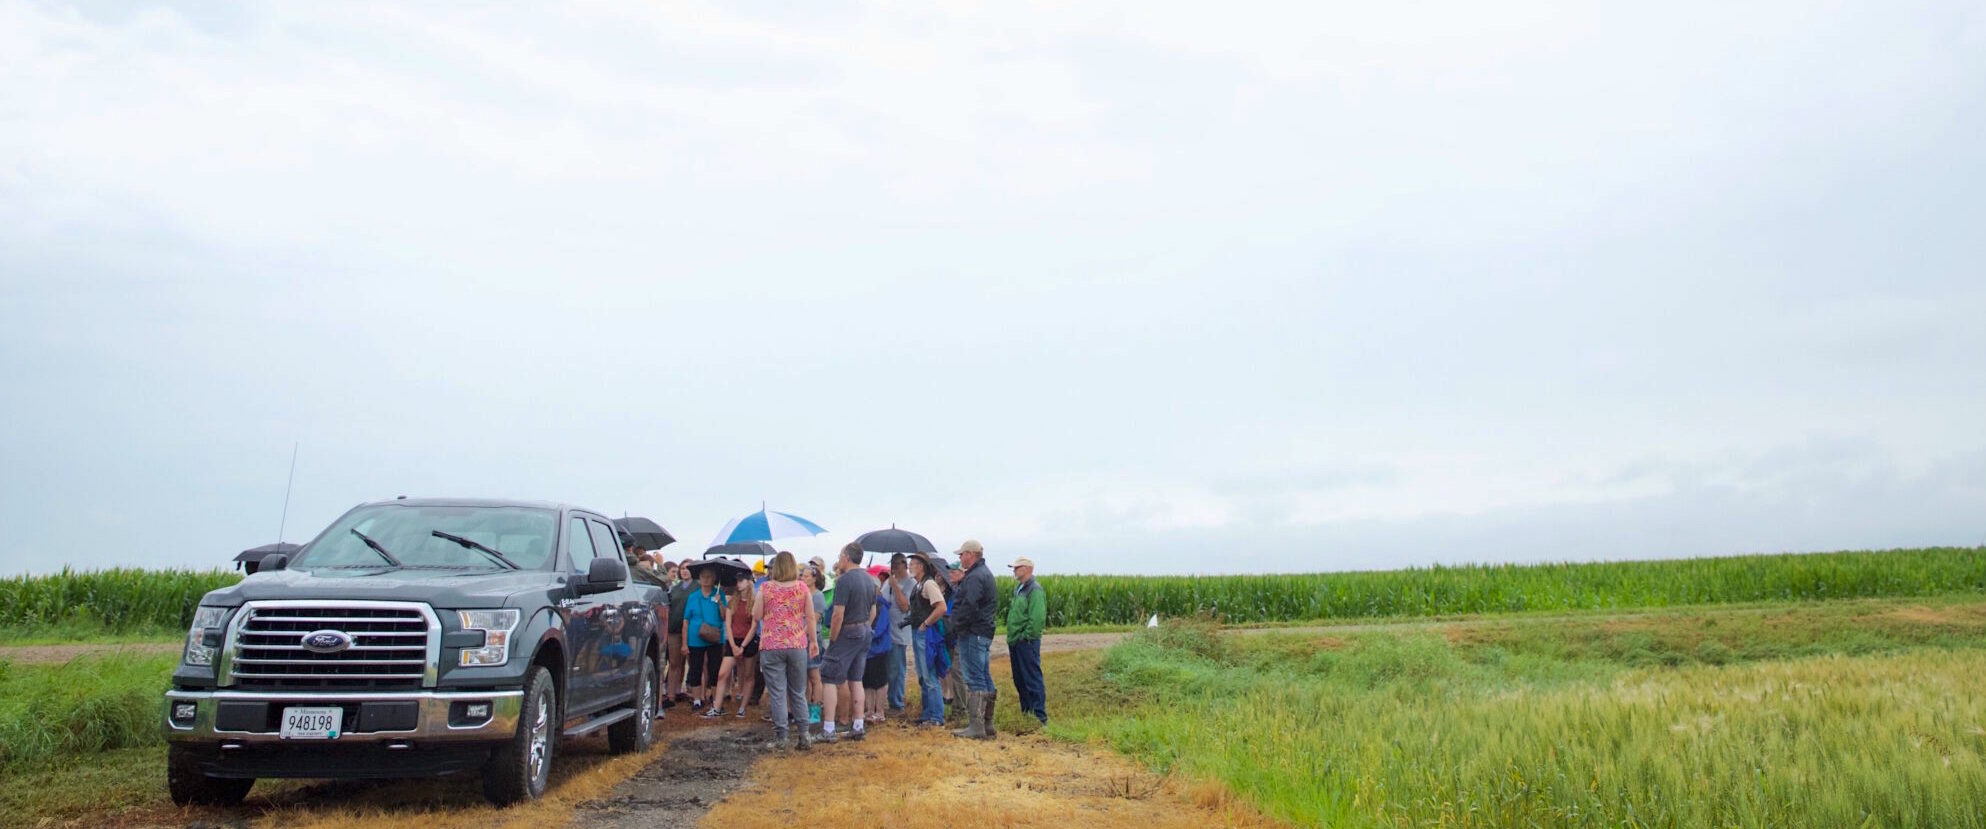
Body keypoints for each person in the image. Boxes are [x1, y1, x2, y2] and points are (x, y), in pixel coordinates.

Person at [753, 551, 818, 751]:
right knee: (798, 691)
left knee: (778, 692)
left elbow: (756, 615)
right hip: (797, 644)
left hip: (771, 645)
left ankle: (782, 737)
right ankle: (804, 734)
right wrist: (813, 641)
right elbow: (810, 617)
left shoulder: (765, 587)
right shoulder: (802, 588)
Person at [817, 542, 877, 743]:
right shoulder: (870, 580)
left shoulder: (843, 581)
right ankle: (858, 725)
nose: (839, 559)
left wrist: (833, 639)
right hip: (865, 630)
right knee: (856, 679)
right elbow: (873, 611)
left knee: (829, 678)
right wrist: (865, 627)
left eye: (841, 555)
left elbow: (837, 614)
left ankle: (828, 728)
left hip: (847, 631)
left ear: (846, 557)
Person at [948, 539, 998, 740]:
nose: (960, 558)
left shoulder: (975, 576)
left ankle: (976, 726)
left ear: (971, 554)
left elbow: (969, 605)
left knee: (975, 677)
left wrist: (957, 626)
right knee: (984, 676)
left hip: (973, 632)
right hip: (982, 631)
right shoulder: (984, 573)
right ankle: (987, 724)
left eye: (962, 554)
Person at [704, 577, 758, 718]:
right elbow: (728, 624)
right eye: (737, 581)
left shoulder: (755, 602)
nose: (739, 584)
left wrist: (743, 645)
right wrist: (734, 645)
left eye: (742, 580)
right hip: (733, 640)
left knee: (748, 674)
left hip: (749, 641)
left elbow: (754, 626)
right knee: (722, 674)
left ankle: (742, 707)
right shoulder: (733, 602)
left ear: (749, 582)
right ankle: (717, 706)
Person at [906, 552, 949, 726]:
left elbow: (941, 608)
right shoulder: (918, 585)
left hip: (926, 634)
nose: (909, 566)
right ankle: (927, 714)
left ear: (921, 566)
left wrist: (925, 623)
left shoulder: (929, 584)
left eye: (913, 563)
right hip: (918, 631)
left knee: (930, 675)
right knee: (923, 676)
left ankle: (936, 717)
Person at [1005, 557, 1048, 726]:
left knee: (1032, 678)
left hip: (1026, 642)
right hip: (1016, 640)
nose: (1014, 570)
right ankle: (1027, 712)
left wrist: (1025, 636)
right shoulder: (1020, 588)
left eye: (1017, 567)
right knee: (1019, 679)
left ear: (1028, 568)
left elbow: (1037, 619)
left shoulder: (1034, 590)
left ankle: (1039, 717)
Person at [681, 565, 727, 711]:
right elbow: (686, 621)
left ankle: (714, 698)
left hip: (715, 637)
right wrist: (684, 643)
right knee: (695, 668)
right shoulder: (693, 596)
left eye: (709, 576)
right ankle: (696, 700)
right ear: (699, 579)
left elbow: (725, 616)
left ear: (714, 578)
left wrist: (720, 602)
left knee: (715, 669)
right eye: (703, 576)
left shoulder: (720, 594)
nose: (706, 579)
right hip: (695, 638)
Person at [861, 565, 894, 723]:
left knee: (880, 681)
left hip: (879, 648)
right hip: (868, 649)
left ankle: (880, 711)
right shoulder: (867, 604)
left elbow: (881, 628)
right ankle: (869, 710)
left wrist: (867, 635)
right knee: (867, 681)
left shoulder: (881, 604)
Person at [886, 553, 913, 714]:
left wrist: (895, 586)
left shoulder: (910, 583)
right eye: (892, 564)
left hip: (899, 633)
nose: (894, 567)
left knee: (897, 669)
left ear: (905, 564)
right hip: (886, 634)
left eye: (897, 564)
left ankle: (897, 703)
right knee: (889, 670)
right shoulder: (888, 582)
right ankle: (891, 701)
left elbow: (905, 606)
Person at [665, 562, 694, 703]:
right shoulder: (674, 588)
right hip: (674, 628)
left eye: (688, 568)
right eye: (682, 568)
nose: (685, 571)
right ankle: (672, 695)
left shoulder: (698, 587)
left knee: (693, 664)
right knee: (674, 663)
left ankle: (697, 696)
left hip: (692, 630)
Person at [805, 565, 829, 726]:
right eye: (802, 576)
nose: (803, 578)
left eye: (807, 576)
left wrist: (801, 633)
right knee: (804, 678)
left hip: (813, 638)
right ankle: (804, 709)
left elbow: (815, 618)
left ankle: (815, 710)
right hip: (801, 639)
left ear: (814, 578)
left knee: (815, 676)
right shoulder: (802, 594)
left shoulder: (818, 596)